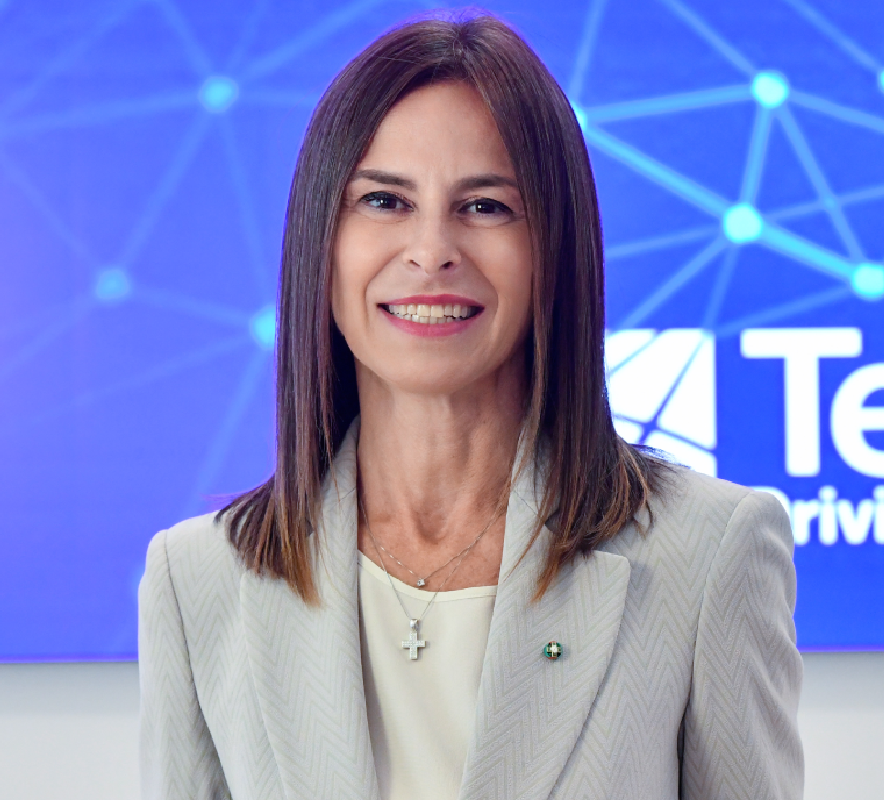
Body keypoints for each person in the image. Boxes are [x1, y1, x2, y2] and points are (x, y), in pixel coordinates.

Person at [138, 12, 802, 800]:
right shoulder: (199, 579)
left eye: (485, 206)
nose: (431, 252)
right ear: (321, 240)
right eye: (383, 201)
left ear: (554, 246)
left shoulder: (708, 553)